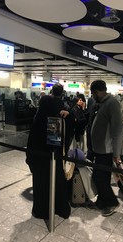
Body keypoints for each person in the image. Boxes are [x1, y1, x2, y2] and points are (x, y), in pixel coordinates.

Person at [26, 83, 72, 219]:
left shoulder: (38, 119)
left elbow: (31, 141)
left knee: (41, 185)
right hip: (54, 158)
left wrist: (29, 158)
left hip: (40, 160)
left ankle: (41, 210)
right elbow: (61, 140)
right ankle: (59, 207)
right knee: (57, 183)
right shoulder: (55, 120)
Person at [90, 80, 123, 217]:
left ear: (97, 92)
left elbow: (117, 130)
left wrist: (117, 154)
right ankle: (102, 201)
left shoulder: (112, 103)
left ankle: (112, 202)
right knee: (100, 177)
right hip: (99, 149)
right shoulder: (102, 103)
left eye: (93, 93)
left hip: (106, 150)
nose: (93, 96)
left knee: (100, 177)